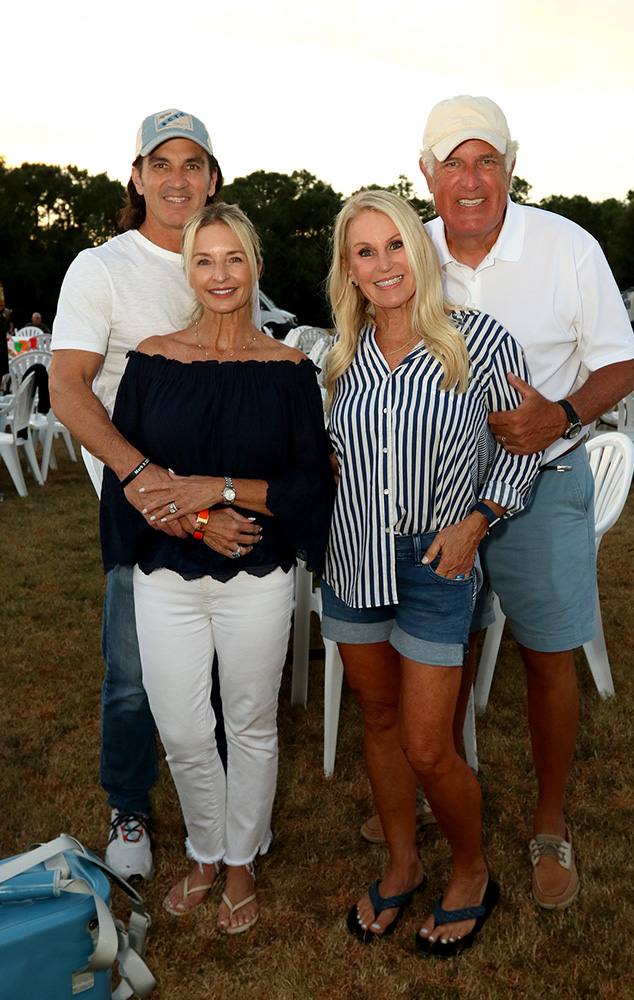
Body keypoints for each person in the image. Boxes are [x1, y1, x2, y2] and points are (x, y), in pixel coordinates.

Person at [412, 94, 634, 910]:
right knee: (442, 647)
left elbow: (623, 363)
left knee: (546, 655)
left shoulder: (565, 245)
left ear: (511, 167)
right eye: (453, 163)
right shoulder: (409, 249)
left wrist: (563, 414)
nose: (470, 180)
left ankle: (549, 820)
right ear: (425, 174)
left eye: (486, 160)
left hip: (543, 479)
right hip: (439, 493)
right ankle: (436, 787)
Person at [100, 201, 333, 931]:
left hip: (258, 575)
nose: (220, 274)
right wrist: (199, 518)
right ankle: (204, 848)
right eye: (204, 260)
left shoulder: (289, 371)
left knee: (250, 720)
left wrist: (220, 489)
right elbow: (131, 482)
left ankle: (239, 860)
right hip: (164, 573)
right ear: (187, 270)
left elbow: (309, 485)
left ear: (256, 266)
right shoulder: (151, 360)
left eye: (234, 259)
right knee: (181, 726)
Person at [322, 190, 541, 957]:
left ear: (419, 251)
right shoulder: (338, 356)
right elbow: (328, 455)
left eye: (394, 245)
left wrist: (476, 522)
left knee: (425, 743)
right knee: (379, 722)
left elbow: (523, 447)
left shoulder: (478, 340)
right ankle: (403, 863)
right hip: (352, 558)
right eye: (364, 251)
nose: (383, 264)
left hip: (438, 561)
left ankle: (471, 872)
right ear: (348, 269)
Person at [50, 108, 222, 880]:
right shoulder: (103, 267)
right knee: (132, 672)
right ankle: (128, 806)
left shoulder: (224, 257)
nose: (177, 178)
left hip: (220, 495)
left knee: (218, 660)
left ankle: (216, 803)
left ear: (211, 179)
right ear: (138, 176)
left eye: (192, 164)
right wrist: (139, 474)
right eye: (162, 164)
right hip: (139, 500)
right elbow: (67, 386)